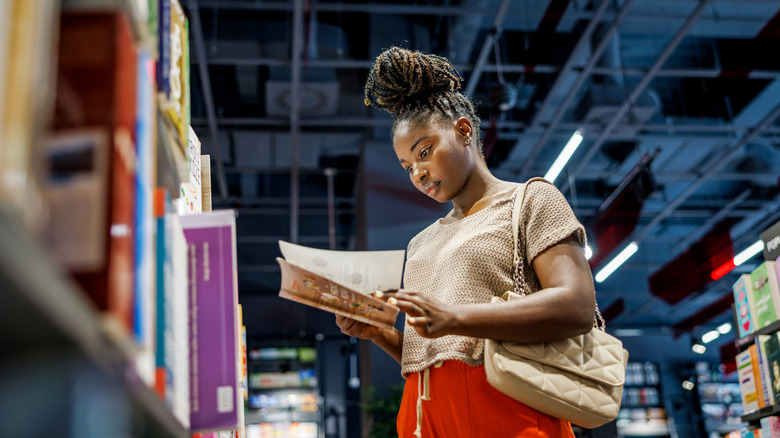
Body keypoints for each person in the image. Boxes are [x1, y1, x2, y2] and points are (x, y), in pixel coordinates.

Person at [335, 46, 596, 438]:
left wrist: (456, 317)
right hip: (424, 418)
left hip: (509, 412)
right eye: (408, 167)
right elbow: (437, 349)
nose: (419, 173)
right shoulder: (421, 242)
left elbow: (576, 305)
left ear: (463, 130)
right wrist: (380, 333)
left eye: (425, 152)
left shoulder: (530, 199)